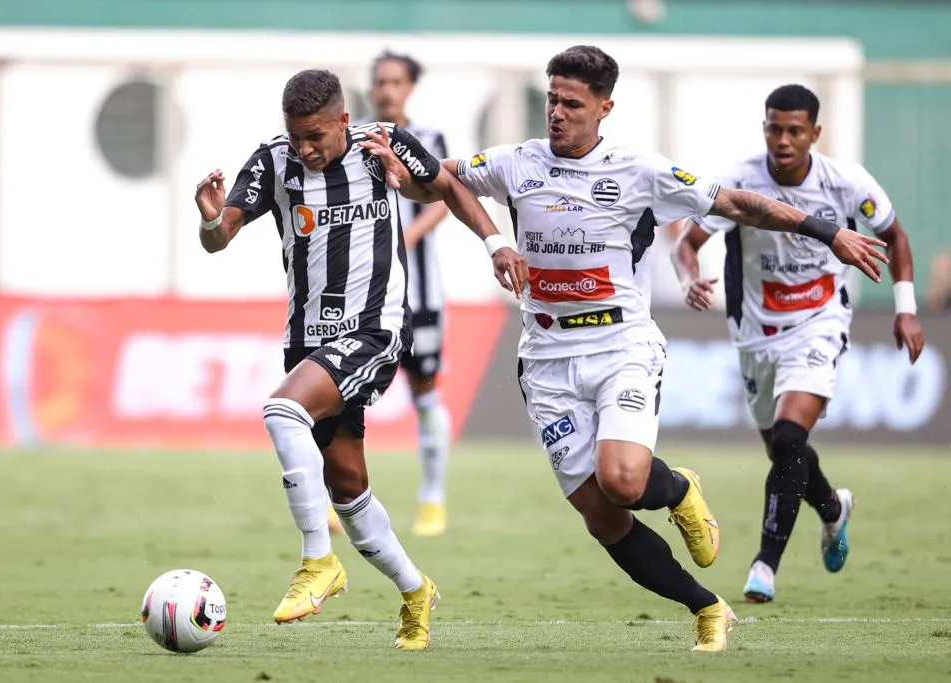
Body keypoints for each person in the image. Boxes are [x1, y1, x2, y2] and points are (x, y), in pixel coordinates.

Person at [365, 46, 889, 652]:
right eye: (552, 100)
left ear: (604, 108)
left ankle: (678, 489)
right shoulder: (515, 162)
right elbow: (444, 179)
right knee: (603, 516)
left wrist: (828, 230)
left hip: (622, 347)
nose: (556, 113)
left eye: (572, 104)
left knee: (623, 481)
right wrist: (458, 215)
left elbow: (737, 203)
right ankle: (707, 607)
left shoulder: (640, 170)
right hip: (546, 360)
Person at [193, 69, 527, 650]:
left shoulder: (383, 145)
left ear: (344, 120)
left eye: (317, 135)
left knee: (280, 412)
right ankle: (415, 589)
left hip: (375, 329)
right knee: (347, 486)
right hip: (308, 341)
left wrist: (495, 241)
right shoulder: (274, 161)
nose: (306, 148)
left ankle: (317, 562)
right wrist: (209, 219)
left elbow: (443, 187)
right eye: (297, 136)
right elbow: (221, 236)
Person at [669, 84, 925, 603]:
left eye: (793, 131)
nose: (782, 141)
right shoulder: (739, 181)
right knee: (786, 452)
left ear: (815, 133)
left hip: (819, 320)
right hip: (755, 332)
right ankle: (832, 507)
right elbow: (687, 244)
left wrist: (906, 307)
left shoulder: (845, 182)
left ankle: (765, 564)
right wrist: (687, 279)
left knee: (789, 440)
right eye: (773, 129)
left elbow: (895, 236)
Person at [362, 51, 453, 536]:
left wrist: (404, 238)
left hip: (420, 295)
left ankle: (432, 498)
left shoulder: (430, 139)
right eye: (380, 81)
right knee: (344, 397)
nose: (386, 89)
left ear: (410, 87)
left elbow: (447, 195)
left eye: (396, 81)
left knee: (424, 394)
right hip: (364, 296)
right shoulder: (353, 137)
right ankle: (343, 499)